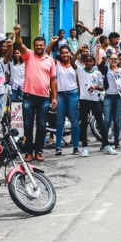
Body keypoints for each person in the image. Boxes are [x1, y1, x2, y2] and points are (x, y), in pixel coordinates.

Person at [14, 24, 57, 162]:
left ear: (45, 46)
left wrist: (54, 97)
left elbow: (53, 80)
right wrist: (18, 34)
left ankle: (38, 151)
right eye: (37, 45)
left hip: (44, 98)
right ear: (34, 46)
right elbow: (20, 45)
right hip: (28, 97)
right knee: (27, 126)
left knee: (42, 126)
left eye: (41, 45)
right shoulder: (28, 55)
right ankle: (28, 152)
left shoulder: (50, 60)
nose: (39, 47)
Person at [75, 46, 109, 157]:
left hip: (95, 100)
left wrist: (95, 87)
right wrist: (78, 51)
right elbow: (71, 62)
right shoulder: (80, 70)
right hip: (84, 100)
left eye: (91, 61)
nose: (89, 63)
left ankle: (106, 145)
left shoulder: (97, 73)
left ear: (94, 62)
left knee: (100, 122)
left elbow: (102, 87)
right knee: (83, 124)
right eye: (87, 61)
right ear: (84, 62)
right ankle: (84, 147)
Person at [52, 43, 80, 156]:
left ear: (70, 53)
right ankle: (58, 147)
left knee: (74, 121)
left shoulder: (75, 65)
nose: (64, 54)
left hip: (73, 94)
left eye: (66, 52)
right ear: (60, 54)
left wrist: (80, 98)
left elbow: (79, 81)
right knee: (60, 122)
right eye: (62, 53)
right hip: (60, 95)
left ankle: (76, 147)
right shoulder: (57, 64)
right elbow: (46, 53)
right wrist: (53, 43)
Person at [99, 52, 121, 151]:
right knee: (106, 121)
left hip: (118, 97)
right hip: (108, 96)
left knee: (117, 121)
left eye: (115, 59)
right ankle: (104, 143)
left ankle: (116, 142)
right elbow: (99, 65)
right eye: (112, 59)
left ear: (118, 61)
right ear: (109, 60)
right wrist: (102, 57)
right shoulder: (106, 70)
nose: (114, 61)